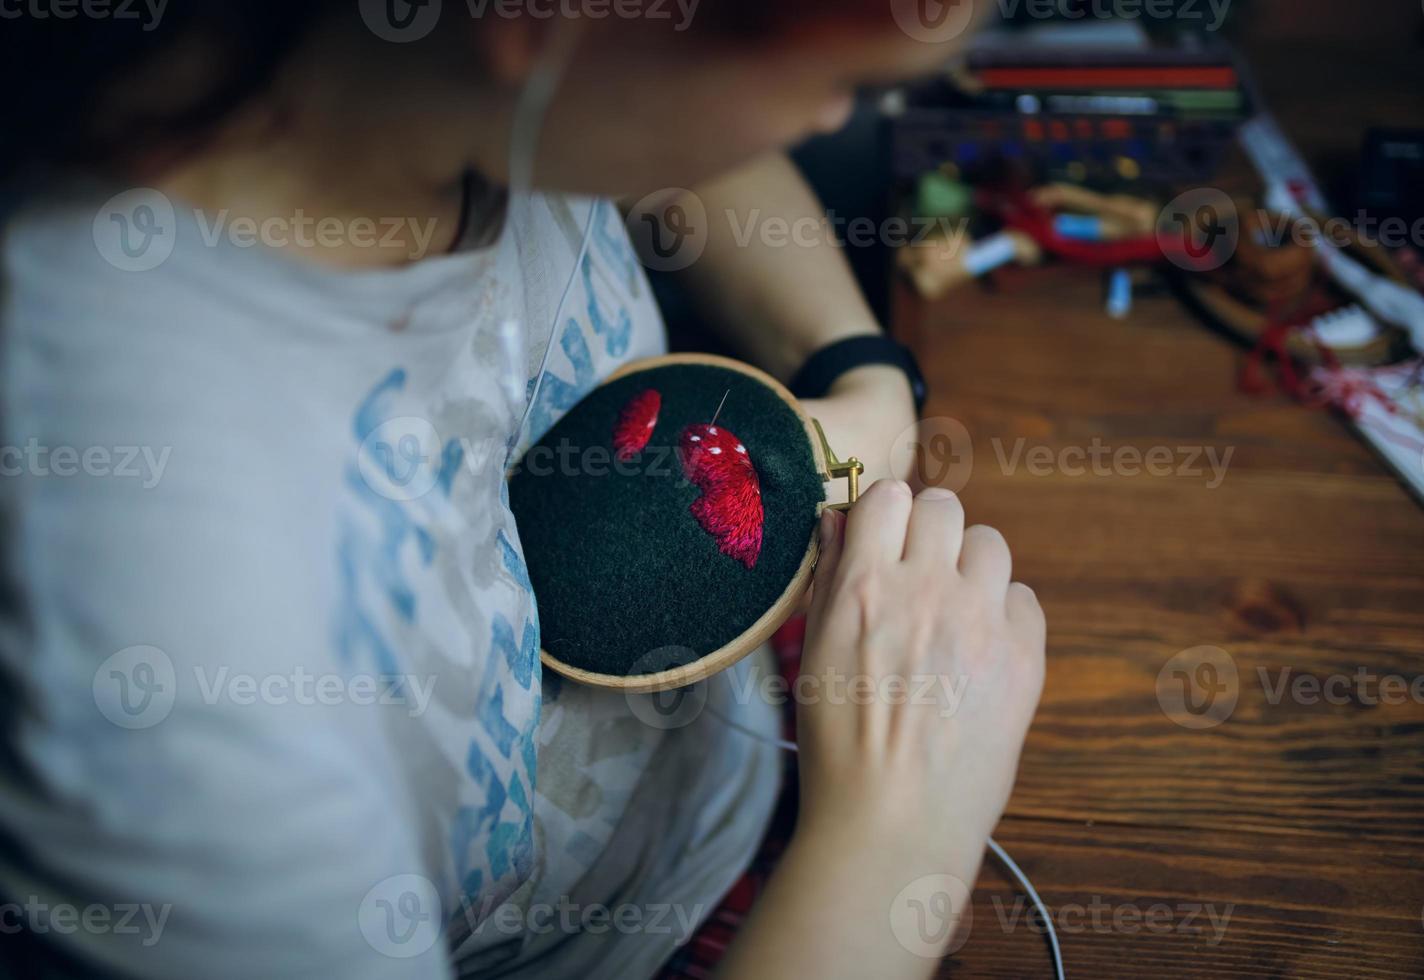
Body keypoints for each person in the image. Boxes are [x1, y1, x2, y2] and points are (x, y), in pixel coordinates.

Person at [0, 3, 1045, 977]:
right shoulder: (141, 611)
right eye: (832, 79)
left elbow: (681, 148)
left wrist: (857, 363)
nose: (831, 119)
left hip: (751, 752)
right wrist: (892, 840)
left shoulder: (395, 74)